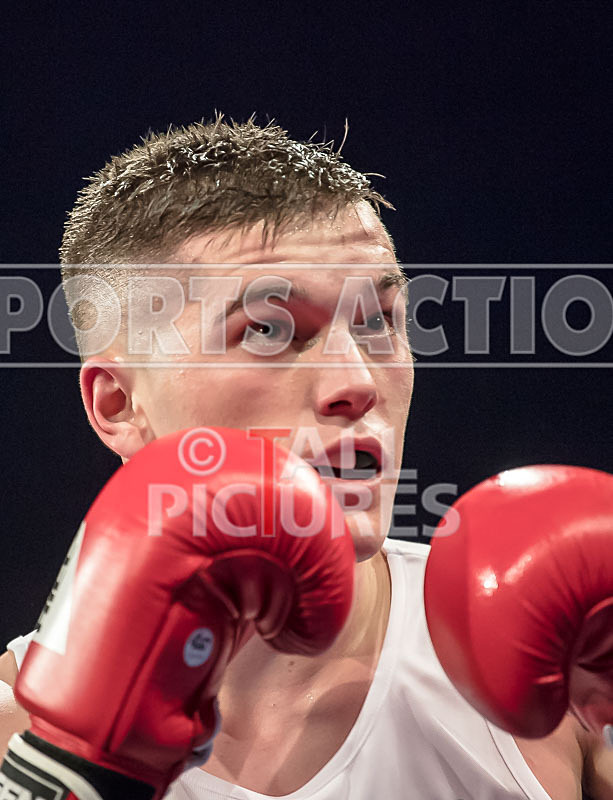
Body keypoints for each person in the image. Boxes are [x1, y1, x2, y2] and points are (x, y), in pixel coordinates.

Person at [0, 115, 611, 799]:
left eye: (377, 320)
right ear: (118, 404)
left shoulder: (562, 674)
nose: (355, 381)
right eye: (266, 329)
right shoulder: (16, 742)